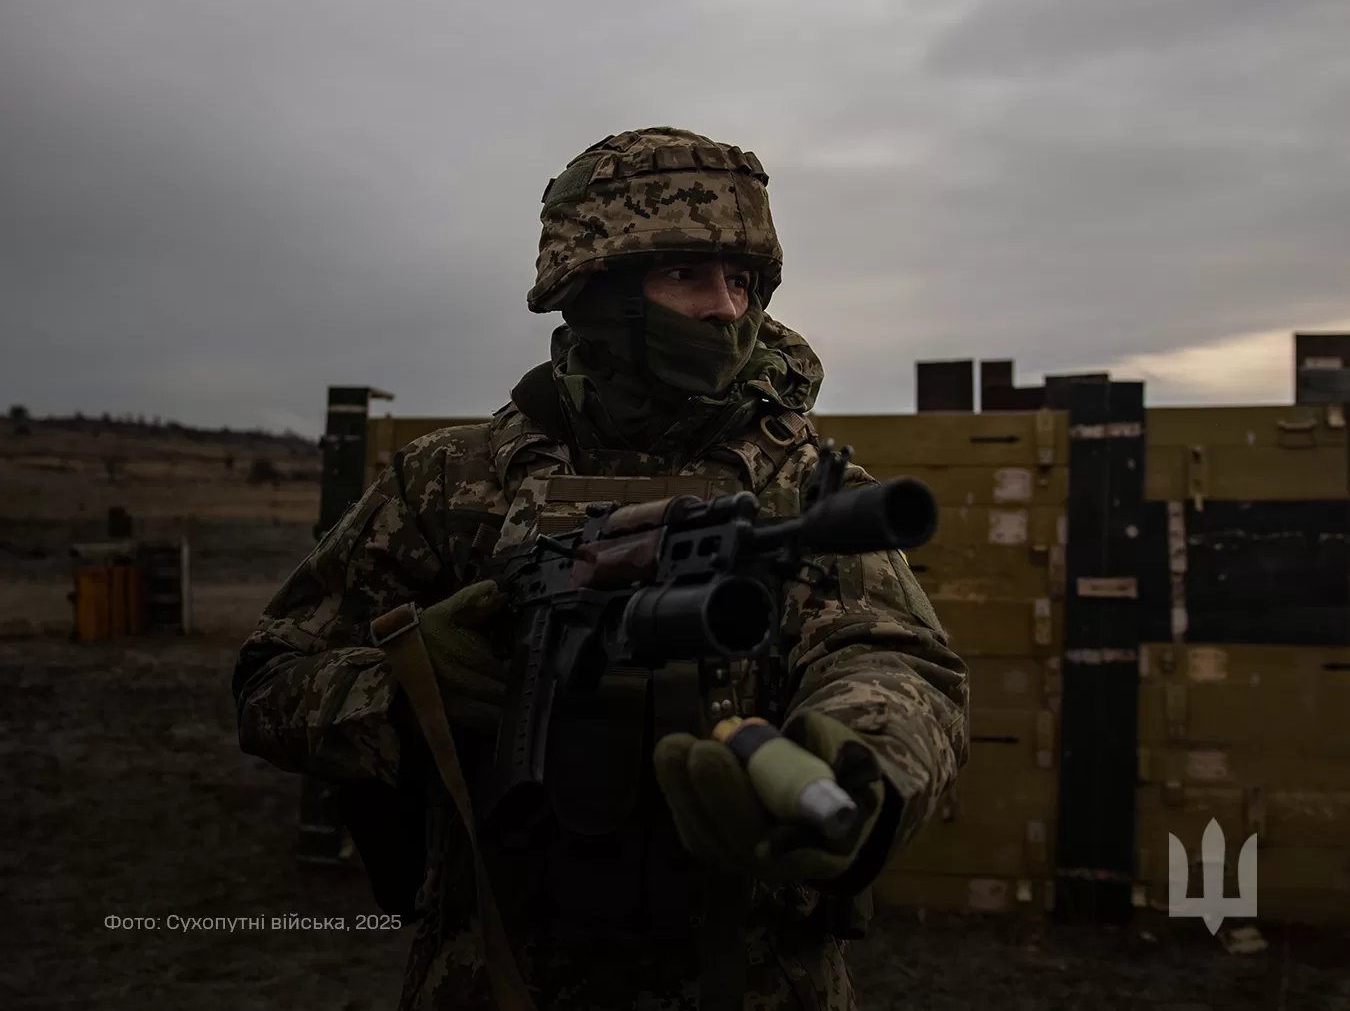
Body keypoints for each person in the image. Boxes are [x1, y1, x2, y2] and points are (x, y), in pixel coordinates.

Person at [233, 127, 969, 1010]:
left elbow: (894, 658)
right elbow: (270, 679)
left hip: (754, 979)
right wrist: (406, 684)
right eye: (686, 275)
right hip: (496, 973)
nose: (726, 309)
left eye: (742, 281)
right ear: (596, 291)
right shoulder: (448, 481)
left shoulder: (802, 485)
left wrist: (860, 768)